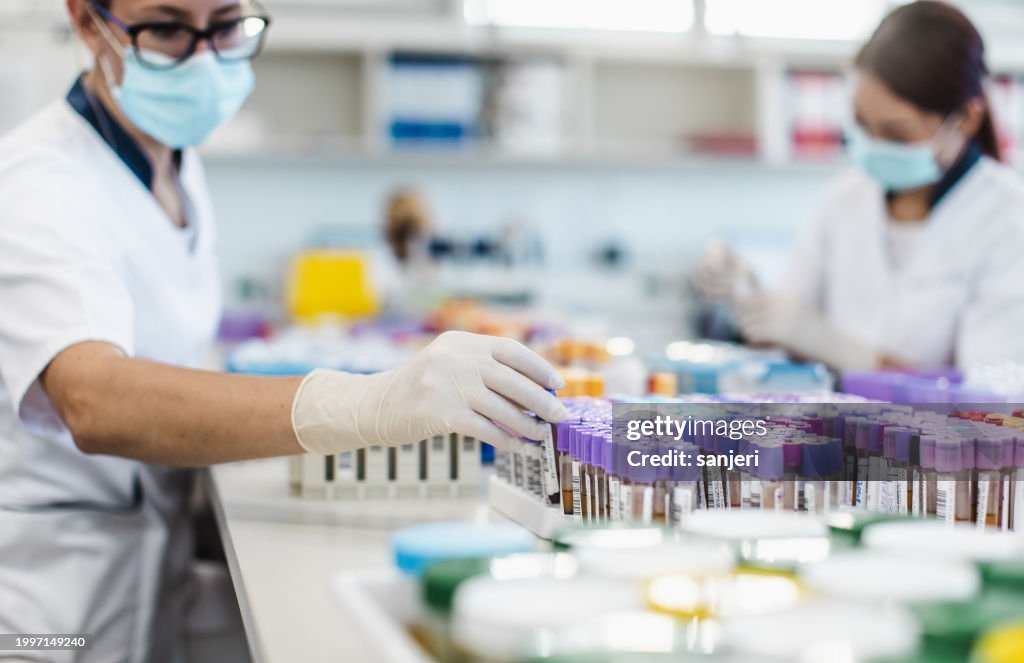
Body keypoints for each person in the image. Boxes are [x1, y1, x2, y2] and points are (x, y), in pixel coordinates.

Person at [0, 1, 567, 660]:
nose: (205, 59)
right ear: (86, 20)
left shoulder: (174, 163)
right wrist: (364, 401)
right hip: (48, 607)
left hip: (147, 570)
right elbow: (92, 398)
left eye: (225, 26)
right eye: (168, 29)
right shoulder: (38, 183)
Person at [696, 1, 1024, 371]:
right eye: (862, 123)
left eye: (897, 134)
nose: (874, 145)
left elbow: (987, 394)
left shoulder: (1008, 219)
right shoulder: (846, 197)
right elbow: (785, 332)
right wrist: (749, 300)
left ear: (965, 119)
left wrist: (840, 350)